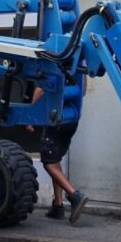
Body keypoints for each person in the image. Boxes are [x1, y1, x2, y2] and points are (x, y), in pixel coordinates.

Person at [29, 86, 88, 223]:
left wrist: (30, 115)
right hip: (71, 119)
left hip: (56, 118)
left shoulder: (54, 63)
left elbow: (40, 88)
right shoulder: (79, 65)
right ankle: (58, 206)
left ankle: (74, 196)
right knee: (55, 161)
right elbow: (83, 91)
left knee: (49, 163)